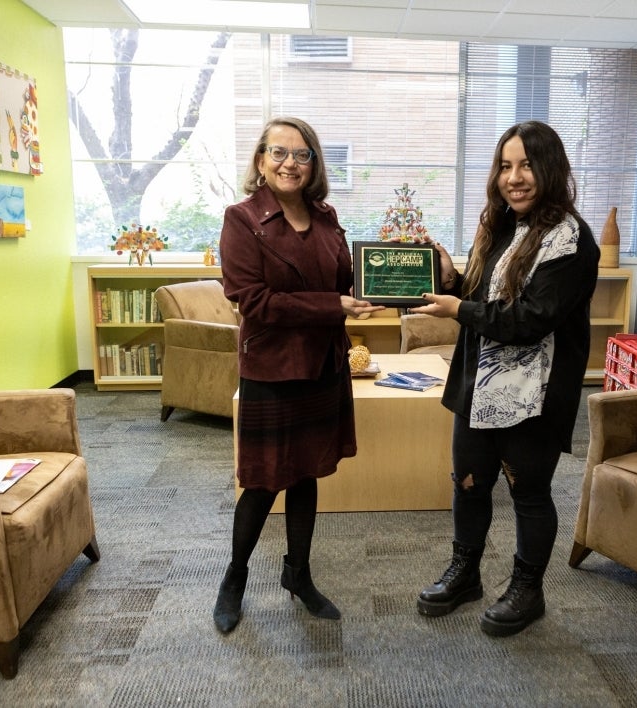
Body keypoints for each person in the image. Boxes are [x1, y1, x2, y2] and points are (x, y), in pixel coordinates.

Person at [410, 120, 599, 637]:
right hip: (479, 386)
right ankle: (465, 572)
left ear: (551, 168)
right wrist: (451, 277)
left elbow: (528, 320)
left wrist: (457, 309)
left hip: (533, 394)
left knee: (529, 494)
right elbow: (485, 290)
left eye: (527, 165)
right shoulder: (501, 223)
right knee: (468, 484)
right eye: (505, 166)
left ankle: (527, 589)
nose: (513, 178)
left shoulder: (570, 239)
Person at [213, 116, 382, 634]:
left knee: (308, 473)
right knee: (264, 481)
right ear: (261, 160)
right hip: (273, 368)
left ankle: (298, 575)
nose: (290, 163)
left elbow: (347, 278)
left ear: (314, 164)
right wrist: (335, 304)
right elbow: (255, 302)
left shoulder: (327, 216)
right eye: (279, 152)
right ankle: (235, 578)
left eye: (302, 154)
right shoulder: (241, 220)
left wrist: (400, 271)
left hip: (322, 365)